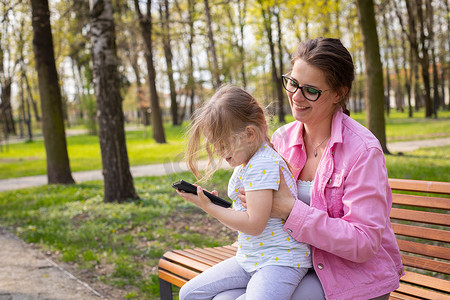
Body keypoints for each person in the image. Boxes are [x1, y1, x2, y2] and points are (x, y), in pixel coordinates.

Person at [215, 37, 404, 300]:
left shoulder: (362, 151)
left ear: (339, 92)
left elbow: (364, 243)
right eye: (292, 83)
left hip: (352, 276)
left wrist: (290, 210)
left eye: (310, 90)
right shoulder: (281, 140)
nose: (296, 96)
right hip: (291, 262)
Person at [176, 85, 312, 300]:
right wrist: (216, 208)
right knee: (189, 293)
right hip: (250, 258)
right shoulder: (248, 162)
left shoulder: (262, 163)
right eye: (215, 145)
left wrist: (210, 207)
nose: (220, 152)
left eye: (223, 144)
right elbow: (245, 223)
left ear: (249, 134)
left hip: (278, 262)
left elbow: (254, 225)